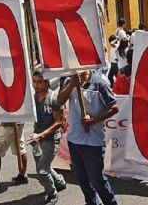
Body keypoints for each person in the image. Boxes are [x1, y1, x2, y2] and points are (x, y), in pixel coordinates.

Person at [56, 70, 119, 205]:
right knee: (83, 180)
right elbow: (59, 101)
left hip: (93, 142)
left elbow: (114, 107)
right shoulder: (69, 81)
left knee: (97, 180)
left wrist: (94, 120)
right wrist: (72, 85)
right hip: (74, 140)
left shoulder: (99, 83)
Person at [29, 70, 67, 204]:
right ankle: (60, 182)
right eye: (34, 81)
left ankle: (52, 194)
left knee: (42, 171)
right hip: (36, 138)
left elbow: (59, 122)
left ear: (47, 83)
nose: (36, 85)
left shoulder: (54, 99)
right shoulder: (32, 98)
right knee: (43, 166)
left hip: (50, 139)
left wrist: (41, 135)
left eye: (39, 82)